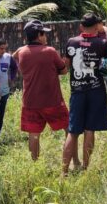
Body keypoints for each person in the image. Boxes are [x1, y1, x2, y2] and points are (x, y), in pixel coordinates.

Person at [62, 13, 107, 174]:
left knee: (72, 132)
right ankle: (85, 168)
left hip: (77, 92)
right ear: (96, 28)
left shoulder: (72, 42)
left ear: (81, 27)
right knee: (89, 130)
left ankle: (64, 172)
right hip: (96, 92)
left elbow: (64, 67)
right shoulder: (102, 43)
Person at [13, 20, 69, 161]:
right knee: (69, 129)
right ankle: (72, 160)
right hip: (52, 100)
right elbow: (63, 71)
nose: (46, 37)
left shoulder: (21, 52)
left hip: (30, 102)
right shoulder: (49, 51)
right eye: (44, 34)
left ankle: (35, 163)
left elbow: (13, 57)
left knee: (34, 134)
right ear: (39, 35)